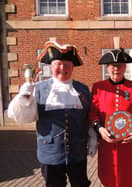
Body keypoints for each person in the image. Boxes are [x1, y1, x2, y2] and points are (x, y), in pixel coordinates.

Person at [7, 41, 96, 187]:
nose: (62, 68)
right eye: (57, 64)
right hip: (50, 154)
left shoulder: (83, 89)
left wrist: (93, 139)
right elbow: (24, 117)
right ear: (51, 66)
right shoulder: (38, 89)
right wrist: (25, 95)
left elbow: (87, 118)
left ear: (73, 67)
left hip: (77, 153)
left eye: (66, 64)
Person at [89, 48, 132, 187]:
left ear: (125, 67)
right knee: (109, 177)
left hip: (128, 144)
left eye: (120, 65)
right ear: (107, 67)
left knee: (129, 177)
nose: (116, 69)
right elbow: (93, 113)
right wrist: (100, 129)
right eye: (113, 66)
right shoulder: (98, 87)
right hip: (107, 142)